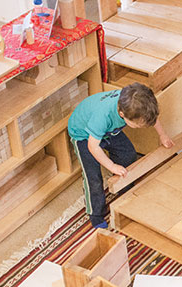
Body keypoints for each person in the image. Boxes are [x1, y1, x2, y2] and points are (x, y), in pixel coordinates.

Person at [67, 83, 173, 228]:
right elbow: (93, 146)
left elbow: (152, 118)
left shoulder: (134, 102)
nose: (140, 128)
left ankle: (124, 187)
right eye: (137, 125)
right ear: (122, 115)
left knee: (128, 153)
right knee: (93, 177)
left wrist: (163, 135)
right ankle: (95, 213)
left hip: (108, 131)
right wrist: (112, 166)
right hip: (84, 136)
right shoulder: (102, 116)